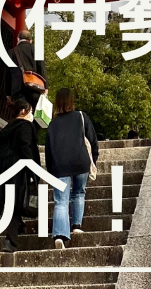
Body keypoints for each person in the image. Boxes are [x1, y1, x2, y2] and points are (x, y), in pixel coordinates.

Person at [0, 96, 40, 252]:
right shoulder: (25, 126)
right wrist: (34, 170)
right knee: (15, 204)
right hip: (18, 169)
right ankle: (10, 240)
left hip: (1, 168)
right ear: (23, 111)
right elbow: (26, 148)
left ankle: (18, 226)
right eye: (31, 111)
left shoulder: (8, 128)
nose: (32, 115)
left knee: (10, 201)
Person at [44, 87, 98, 249]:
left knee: (61, 200)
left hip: (60, 165)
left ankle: (59, 235)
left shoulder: (53, 124)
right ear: (71, 101)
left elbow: (48, 149)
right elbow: (92, 140)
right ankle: (76, 226)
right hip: (81, 161)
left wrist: (51, 170)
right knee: (79, 192)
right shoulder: (81, 116)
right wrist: (93, 160)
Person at [7, 28, 47, 107]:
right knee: (33, 112)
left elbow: (8, 74)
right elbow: (42, 69)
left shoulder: (11, 52)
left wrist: (8, 93)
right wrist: (46, 87)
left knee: (21, 111)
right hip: (35, 88)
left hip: (18, 89)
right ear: (30, 40)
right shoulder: (36, 51)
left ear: (18, 39)